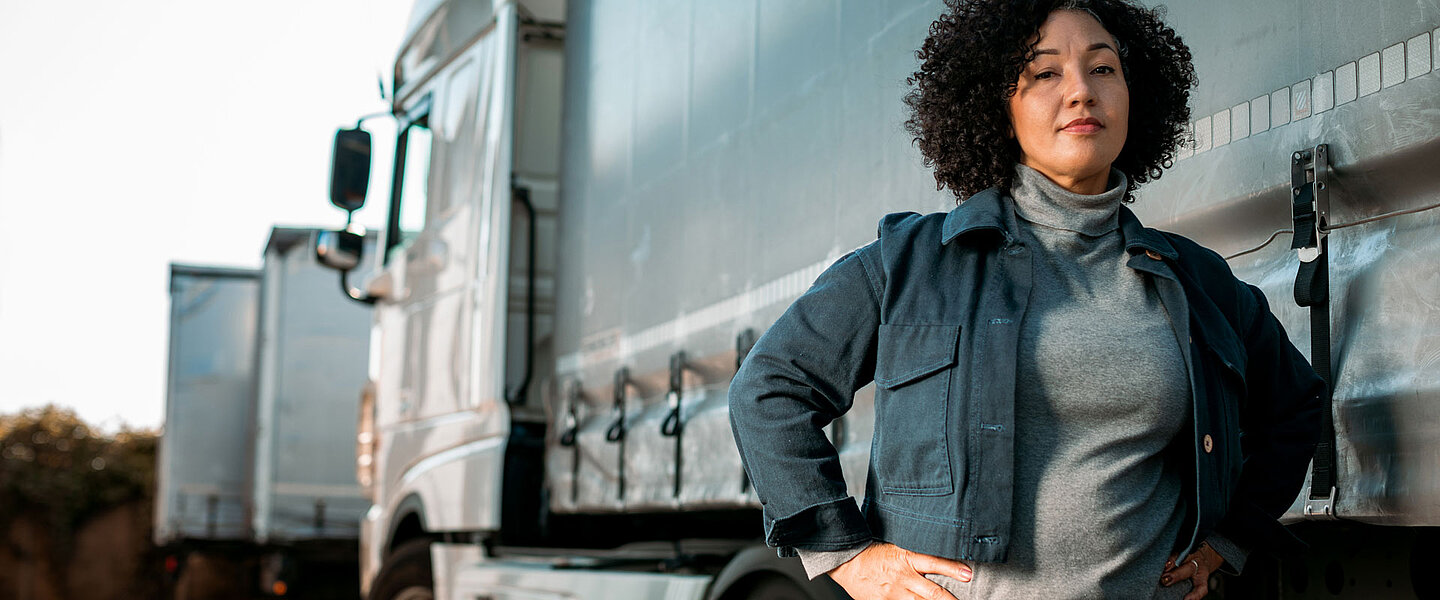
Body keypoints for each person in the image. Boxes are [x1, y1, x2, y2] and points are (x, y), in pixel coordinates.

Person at [726, 1, 1326, 598]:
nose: (1080, 92)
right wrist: (846, 553)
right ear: (998, 105)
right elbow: (769, 389)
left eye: (1103, 68)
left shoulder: (1197, 280)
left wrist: (1229, 539)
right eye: (1044, 73)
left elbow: (1296, 408)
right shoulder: (909, 262)